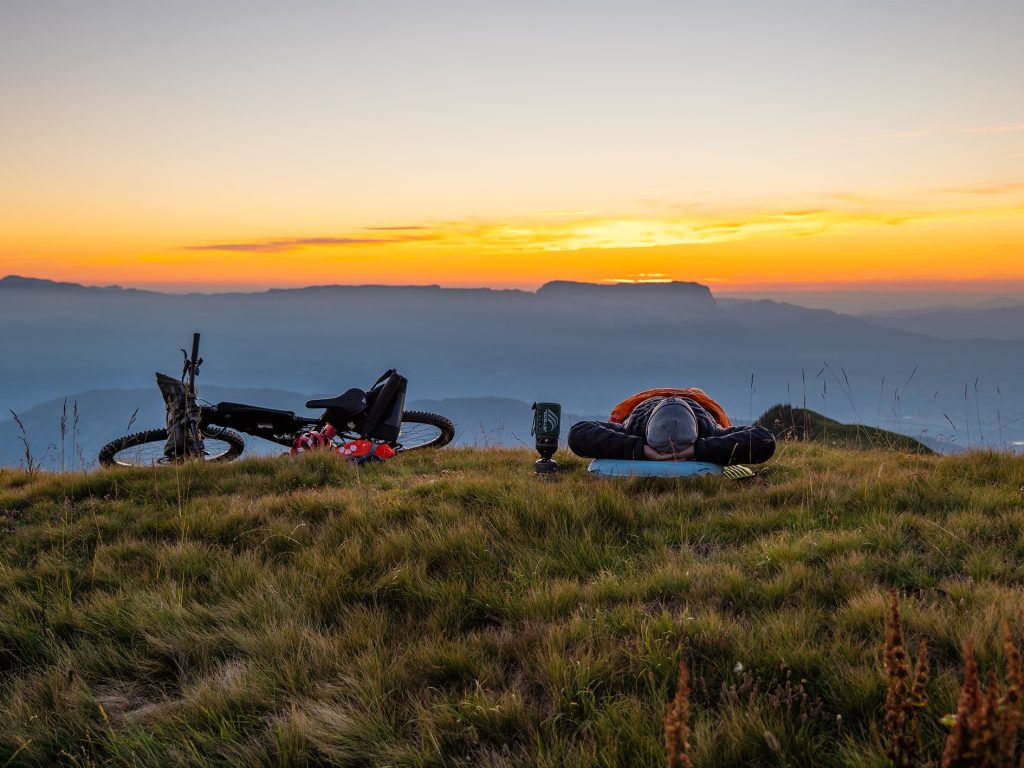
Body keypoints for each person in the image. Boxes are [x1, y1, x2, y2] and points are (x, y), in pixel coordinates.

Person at [568, 388, 776, 465]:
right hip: (649, 404)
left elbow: (764, 440)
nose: (671, 454)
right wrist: (640, 449)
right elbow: (578, 433)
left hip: (696, 405)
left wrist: (697, 449)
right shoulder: (634, 429)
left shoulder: (709, 431)